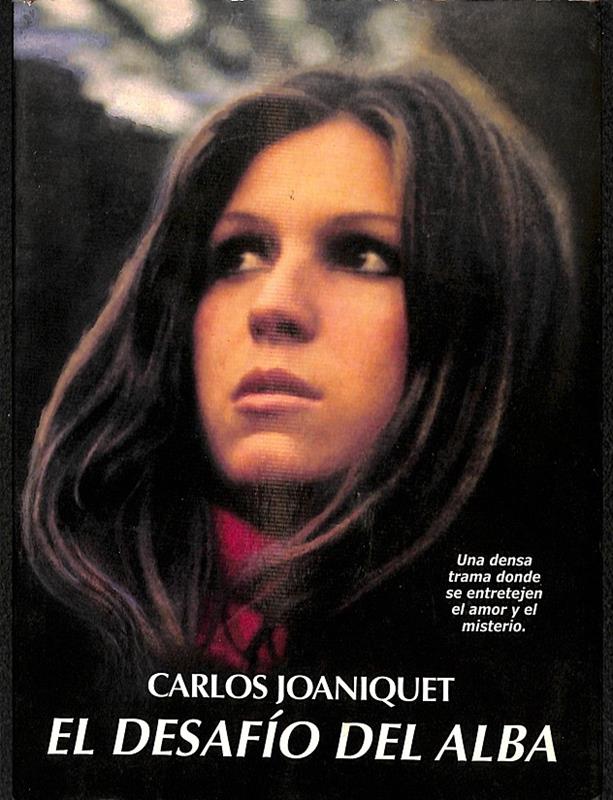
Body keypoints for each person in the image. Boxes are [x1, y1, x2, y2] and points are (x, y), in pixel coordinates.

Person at [22, 67, 575, 682]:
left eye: (364, 255)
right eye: (238, 255)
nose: (273, 306)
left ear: (485, 318)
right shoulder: (41, 647)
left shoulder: (541, 662)